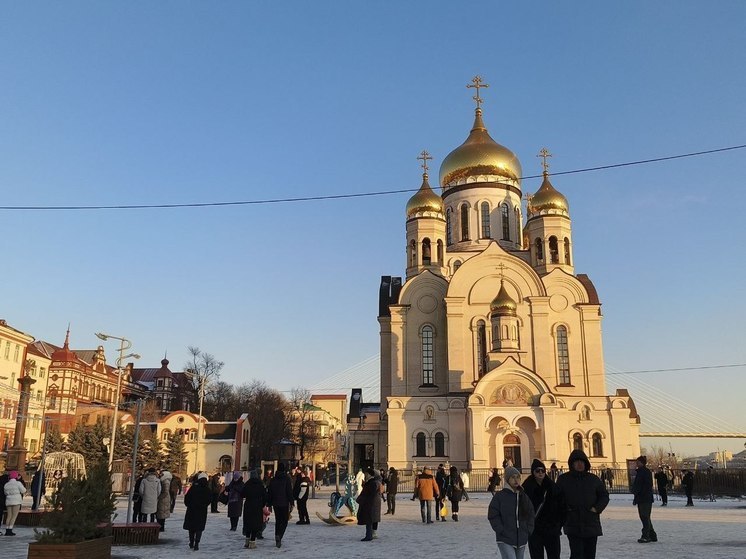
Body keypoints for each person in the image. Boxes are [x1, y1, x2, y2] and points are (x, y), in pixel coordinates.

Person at [555, 449, 609, 559]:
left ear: (586, 463)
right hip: (573, 522)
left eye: (582, 462)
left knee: (590, 554)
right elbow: (557, 498)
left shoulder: (593, 479)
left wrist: (596, 508)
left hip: (591, 522)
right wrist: (566, 510)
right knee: (576, 554)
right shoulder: (563, 479)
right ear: (572, 464)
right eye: (577, 462)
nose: (580, 464)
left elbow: (604, 495)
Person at [488, 466, 535, 559]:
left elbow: (530, 513)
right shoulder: (500, 496)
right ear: (507, 479)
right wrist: (501, 529)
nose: (516, 480)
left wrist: (528, 529)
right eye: (513, 477)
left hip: (521, 537)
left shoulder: (523, 496)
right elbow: (493, 514)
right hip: (505, 537)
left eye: (518, 477)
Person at [522, 459, 561, 559]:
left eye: (542, 470)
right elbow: (522, 508)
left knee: (554, 555)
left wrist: (558, 524)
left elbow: (561, 505)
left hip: (551, 528)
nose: (540, 473)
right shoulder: (527, 487)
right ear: (533, 472)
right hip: (535, 530)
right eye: (537, 470)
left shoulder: (552, 486)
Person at [267, 462, 294, 548]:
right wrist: (292, 502)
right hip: (284, 503)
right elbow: (289, 492)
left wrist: (269, 504)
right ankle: (280, 535)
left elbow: (269, 493)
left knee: (278, 520)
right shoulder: (287, 479)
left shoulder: (273, 479)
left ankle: (276, 535)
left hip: (275, 503)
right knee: (285, 521)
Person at [632, 455, 657, 543]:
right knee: (645, 516)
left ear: (642, 463)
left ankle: (646, 535)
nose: (636, 463)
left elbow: (646, 485)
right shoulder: (640, 472)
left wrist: (639, 493)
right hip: (642, 497)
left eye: (638, 462)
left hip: (644, 497)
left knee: (644, 516)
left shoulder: (645, 472)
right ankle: (652, 535)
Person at [183, 472, 212, 550]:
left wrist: (188, 505)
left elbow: (187, 498)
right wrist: (204, 505)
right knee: (199, 527)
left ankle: (191, 542)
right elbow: (209, 499)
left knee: (191, 527)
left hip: (191, 509)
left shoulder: (193, 487)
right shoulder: (207, 489)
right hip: (202, 511)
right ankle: (197, 543)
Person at [241, 470, 267, 549]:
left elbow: (242, 494)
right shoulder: (260, 485)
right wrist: (262, 504)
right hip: (257, 506)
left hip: (248, 505)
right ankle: (252, 542)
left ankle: (247, 540)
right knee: (255, 523)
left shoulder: (247, 484)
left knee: (248, 523)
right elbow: (265, 496)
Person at [356, 468, 382, 541]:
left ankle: (369, 535)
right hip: (371, 503)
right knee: (370, 519)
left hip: (371, 504)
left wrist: (364, 499)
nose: (365, 475)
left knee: (369, 520)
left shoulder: (373, 483)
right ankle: (369, 534)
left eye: (367, 474)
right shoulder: (372, 482)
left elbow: (371, 493)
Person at [3, 471, 27, 536]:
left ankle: (7, 530)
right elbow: (23, 490)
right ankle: (10, 530)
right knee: (14, 516)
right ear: (16, 476)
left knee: (9, 515)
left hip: (8, 500)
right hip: (16, 501)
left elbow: (5, 493)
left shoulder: (6, 484)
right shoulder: (18, 483)